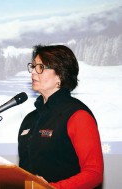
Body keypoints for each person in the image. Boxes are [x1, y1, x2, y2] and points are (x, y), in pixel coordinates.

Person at [18, 44, 104, 189]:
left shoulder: (77, 115)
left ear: (60, 74)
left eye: (40, 67)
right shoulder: (29, 119)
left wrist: (53, 188)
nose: (33, 72)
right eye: (32, 67)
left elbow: (93, 173)